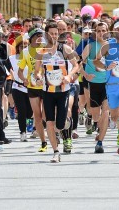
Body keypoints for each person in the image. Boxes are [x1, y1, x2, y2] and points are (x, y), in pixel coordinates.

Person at [34, 22, 79, 163]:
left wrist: (69, 76)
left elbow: (76, 65)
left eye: (56, 33)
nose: (54, 36)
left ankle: (67, 123)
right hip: (48, 91)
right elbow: (37, 71)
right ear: (46, 35)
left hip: (63, 90)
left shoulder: (64, 48)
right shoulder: (41, 52)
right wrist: (39, 78)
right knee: (50, 123)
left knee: (60, 124)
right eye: (51, 33)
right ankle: (56, 151)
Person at [94, 20, 119, 159]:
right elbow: (96, 60)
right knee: (115, 116)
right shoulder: (107, 45)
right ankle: (114, 127)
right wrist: (106, 67)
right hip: (111, 87)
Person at [18, 28, 48, 152]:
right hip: (32, 86)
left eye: (41, 35)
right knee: (37, 116)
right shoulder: (24, 52)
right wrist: (24, 79)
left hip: (46, 86)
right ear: (31, 38)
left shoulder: (46, 50)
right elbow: (20, 71)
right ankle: (43, 142)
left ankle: (53, 133)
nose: (39, 38)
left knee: (47, 116)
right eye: (37, 36)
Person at [81, 22, 109, 154]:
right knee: (96, 114)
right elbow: (78, 63)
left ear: (107, 32)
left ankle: (100, 142)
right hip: (93, 84)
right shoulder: (90, 46)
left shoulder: (111, 46)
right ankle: (97, 125)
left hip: (108, 83)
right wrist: (86, 75)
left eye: (103, 30)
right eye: (98, 31)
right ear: (95, 32)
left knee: (106, 111)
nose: (101, 33)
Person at [9, 35, 33, 142]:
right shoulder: (12, 58)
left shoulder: (32, 57)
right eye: (22, 46)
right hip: (17, 87)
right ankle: (22, 132)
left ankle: (30, 123)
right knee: (22, 111)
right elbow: (5, 68)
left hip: (31, 87)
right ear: (18, 48)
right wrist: (10, 74)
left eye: (26, 46)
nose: (24, 48)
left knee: (30, 112)